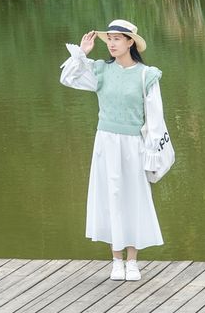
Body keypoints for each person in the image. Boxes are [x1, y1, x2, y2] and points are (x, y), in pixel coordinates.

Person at [60, 19, 165, 282]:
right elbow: (67, 78)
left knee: (134, 198)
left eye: (117, 38)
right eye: (109, 39)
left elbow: (155, 119)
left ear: (130, 42)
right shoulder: (100, 71)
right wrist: (82, 54)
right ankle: (116, 261)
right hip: (106, 142)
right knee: (112, 198)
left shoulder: (146, 74)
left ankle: (132, 262)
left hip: (133, 145)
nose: (111, 43)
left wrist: (151, 153)